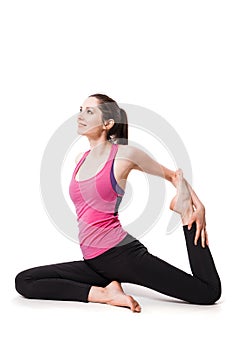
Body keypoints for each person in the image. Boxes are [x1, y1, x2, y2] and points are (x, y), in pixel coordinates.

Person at [15, 93, 221, 313]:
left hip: (122, 256)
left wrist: (196, 206)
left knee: (207, 292)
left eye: (89, 111)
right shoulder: (80, 159)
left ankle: (186, 217)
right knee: (24, 281)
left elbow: (174, 176)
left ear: (107, 124)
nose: (80, 115)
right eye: (81, 109)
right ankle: (105, 293)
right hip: (95, 261)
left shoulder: (125, 155)